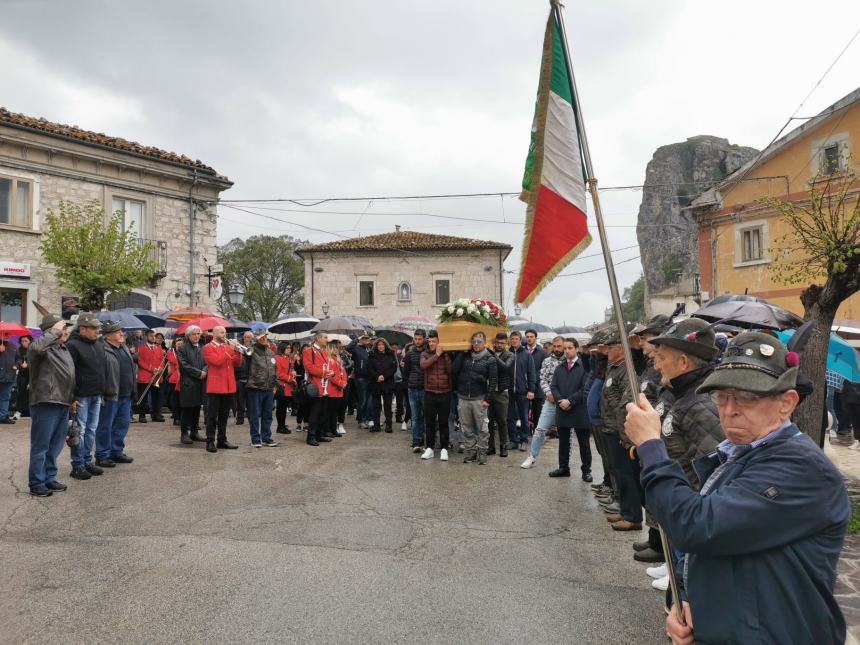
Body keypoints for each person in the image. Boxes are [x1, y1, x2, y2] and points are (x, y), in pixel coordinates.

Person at [625, 331, 850, 644]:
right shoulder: (740, 453)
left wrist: (651, 446)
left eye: (747, 397)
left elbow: (697, 526)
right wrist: (686, 601)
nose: (729, 409)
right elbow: (714, 549)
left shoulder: (801, 468)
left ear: (786, 403)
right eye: (722, 397)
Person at [27, 315, 74, 497]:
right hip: (46, 400)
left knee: (55, 445)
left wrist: (73, 399)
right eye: (62, 328)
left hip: (63, 401)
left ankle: (49, 477)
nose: (65, 332)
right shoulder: (40, 348)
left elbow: (69, 376)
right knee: (41, 445)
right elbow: (37, 347)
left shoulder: (63, 349)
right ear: (49, 331)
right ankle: (36, 482)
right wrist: (55, 330)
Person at [66, 313, 106, 480]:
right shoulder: (72, 345)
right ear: (82, 328)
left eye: (98, 327)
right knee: (79, 432)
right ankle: (77, 465)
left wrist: (102, 392)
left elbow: (101, 369)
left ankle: (87, 461)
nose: (97, 330)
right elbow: (68, 374)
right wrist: (72, 398)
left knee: (91, 430)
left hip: (96, 394)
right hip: (81, 396)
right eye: (94, 328)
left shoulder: (98, 344)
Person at [549, 338, 591, 480]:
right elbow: (553, 386)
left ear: (577, 349)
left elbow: (585, 388)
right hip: (562, 408)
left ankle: (586, 471)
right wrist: (561, 400)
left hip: (579, 409)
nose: (567, 351)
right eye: (565, 348)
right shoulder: (559, 367)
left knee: (584, 443)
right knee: (563, 442)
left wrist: (570, 401)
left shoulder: (584, 366)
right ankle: (563, 468)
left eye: (570, 348)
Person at [452, 331, 497, 465]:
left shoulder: (490, 358)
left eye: (479, 342)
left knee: (482, 428)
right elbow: (454, 370)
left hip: (479, 398)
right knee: (466, 427)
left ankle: (482, 452)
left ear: (484, 343)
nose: (476, 344)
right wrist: (461, 352)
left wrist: (488, 399)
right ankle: (470, 452)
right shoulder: (465, 356)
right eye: (474, 341)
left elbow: (493, 380)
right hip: (463, 397)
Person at [96, 321, 136, 467]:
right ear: (108, 336)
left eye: (121, 331)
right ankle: (102, 455)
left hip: (126, 395)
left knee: (122, 424)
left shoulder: (123, 347)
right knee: (105, 426)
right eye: (118, 332)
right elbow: (99, 374)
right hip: (110, 395)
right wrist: (101, 393)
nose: (122, 334)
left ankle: (116, 451)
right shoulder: (101, 350)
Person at [520, 336, 564, 469]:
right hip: (550, 401)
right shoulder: (547, 361)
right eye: (554, 346)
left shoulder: (569, 361)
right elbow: (542, 379)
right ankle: (532, 456)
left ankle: (564, 464)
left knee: (566, 434)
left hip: (566, 402)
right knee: (539, 430)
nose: (556, 349)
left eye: (559, 346)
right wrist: (548, 393)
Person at [202, 326, 243, 453]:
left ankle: (222, 440)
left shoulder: (226, 347)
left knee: (224, 416)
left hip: (228, 386)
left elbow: (237, 363)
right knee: (212, 416)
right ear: (214, 334)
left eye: (225, 332)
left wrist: (238, 351)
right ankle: (210, 441)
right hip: (215, 387)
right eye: (221, 332)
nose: (224, 334)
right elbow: (218, 361)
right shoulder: (208, 347)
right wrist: (231, 349)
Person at [420, 331, 453, 461]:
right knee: (430, 422)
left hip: (445, 392)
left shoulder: (447, 354)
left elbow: (451, 370)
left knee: (444, 422)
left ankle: (444, 448)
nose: (432, 344)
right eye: (430, 341)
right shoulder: (424, 354)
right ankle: (430, 448)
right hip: (430, 392)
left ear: (439, 342)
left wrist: (443, 355)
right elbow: (423, 365)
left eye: (434, 341)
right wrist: (436, 356)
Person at [245, 329, 278, 448]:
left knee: (268, 415)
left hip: (269, 388)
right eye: (261, 337)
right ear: (256, 338)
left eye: (265, 337)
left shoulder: (271, 352)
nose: (264, 339)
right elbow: (245, 351)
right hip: (255, 387)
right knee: (254, 414)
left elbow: (275, 369)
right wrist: (251, 342)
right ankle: (255, 438)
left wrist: (275, 384)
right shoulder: (252, 350)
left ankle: (266, 437)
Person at [507, 331, 536, 451]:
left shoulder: (526, 354)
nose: (514, 341)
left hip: (523, 390)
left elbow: (531, 373)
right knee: (510, 417)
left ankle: (524, 439)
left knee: (524, 416)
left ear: (520, 340)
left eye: (516, 339)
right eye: (512, 339)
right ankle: (513, 440)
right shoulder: (507, 353)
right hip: (508, 390)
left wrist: (531, 389)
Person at [302, 331, 333, 446]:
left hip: (325, 386)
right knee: (314, 413)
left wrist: (332, 373)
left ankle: (319, 434)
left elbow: (327, 366)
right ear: (318, 339)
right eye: (325, 337)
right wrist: (325, 373)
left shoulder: (323, 351)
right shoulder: (308, 351)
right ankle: (311, 436)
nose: (327, 340)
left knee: (323, 413)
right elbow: (309, 368)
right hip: (316, 386)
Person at [177, 327, 207, 445]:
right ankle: (184, 433)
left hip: (200, 382)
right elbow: (184, 365)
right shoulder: (183, 348)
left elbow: (207, 362)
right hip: (188, 383)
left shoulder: (203, 348)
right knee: (187, 408)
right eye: (194, 334)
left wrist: (204, 371)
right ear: (188, 336)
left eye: (198, 334)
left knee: (196, 408)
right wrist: (199, 373)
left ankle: (194, 432)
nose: (197, 336)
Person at [487, 332, 514, 457]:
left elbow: (505, 368)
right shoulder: (489, 354)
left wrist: (493, 355)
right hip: (489, 391)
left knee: (502, 421)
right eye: (497, 343)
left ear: (506, 344)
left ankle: (504, 446)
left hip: (501, 392)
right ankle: (490, 446)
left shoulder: (510, 355)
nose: (499, 345)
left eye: (502, 343)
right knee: (489, 421)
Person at [402, 329, 427, 452]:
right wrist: (407, 386)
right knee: (415, 416)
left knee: (426, 416)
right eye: (415, 339)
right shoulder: (409, 354)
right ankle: (416, 441)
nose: (417, 341)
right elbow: (405, 373)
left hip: (425, 388)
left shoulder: (429, 352)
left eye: (419, 339)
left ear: (424, 339)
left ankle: (427, 441)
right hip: (412, 388)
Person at [368, 338, 398, 433]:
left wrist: (384, 376)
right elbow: (369, 368)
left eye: (382, 344)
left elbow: (393, 368)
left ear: (385, 345)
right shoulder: (371, 355)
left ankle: (389, 425)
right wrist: (377, 376)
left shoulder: (391, 354)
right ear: (376, 346)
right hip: (375, 383)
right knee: (376, 406)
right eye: (379, 345)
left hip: (387, 383)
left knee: (387, 406)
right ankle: (376, 425)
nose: (381, 346)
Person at [136, 329, 165, 423]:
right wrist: (152, 369)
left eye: (154, 336)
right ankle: (142, 415)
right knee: (143, 397)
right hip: (145, 376)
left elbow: (162, 360)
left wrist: (160, 369)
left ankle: (156, 414)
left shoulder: (159, 347)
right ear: (146, 337)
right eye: (151, 336)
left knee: (157, 397)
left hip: (157, 376)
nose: (153, 338)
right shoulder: (141, 347)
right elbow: (140, 361)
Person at [346, 333, 374, 429]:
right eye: (364, 338)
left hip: (370, 378)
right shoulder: (356, 348)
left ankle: (367, 418)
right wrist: (357, 339)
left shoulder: (370, 349)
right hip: (360, 378)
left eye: (367, 338)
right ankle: (361, 420)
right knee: (362, 400)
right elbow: (349, 347)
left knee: (369, 400)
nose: (366, 339)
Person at [525, 329, 546, 443]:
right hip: (524, 386)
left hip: (538, 387)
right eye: (527, 336)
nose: (529, 338)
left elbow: (543, 369)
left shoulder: (542, 352)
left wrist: (532, 376)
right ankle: (526, 431)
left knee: (537, 411)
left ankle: (537, 434)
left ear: (535, 338)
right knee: (524, 410)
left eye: (531, 336)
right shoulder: (522, 350)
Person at [275, 342, 295, 434]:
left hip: (289, 387)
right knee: (281, 408)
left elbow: (289, 371)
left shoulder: (289, 359)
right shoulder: (278, 358)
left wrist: (293, 373)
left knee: (284, 408)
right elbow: (278, 373)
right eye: (287, 348)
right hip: (282, 386)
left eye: (290, 348)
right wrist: (290, 378)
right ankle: (280, 426)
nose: (289, 349)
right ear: (282, 348)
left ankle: (283, 425)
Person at [233, 330, 254, 425]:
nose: (247, 339)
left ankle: (250, 416)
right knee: (239, 399)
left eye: (249, 337)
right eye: (245, 337)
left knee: (250, 399)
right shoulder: (238, 346)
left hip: (250, 377)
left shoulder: (254, 348)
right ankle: (240, 417)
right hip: (239, 376)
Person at [14, 334, 33, 418]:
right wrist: (19, 364)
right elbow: (17, 360)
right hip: (22, 374)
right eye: (22, 341)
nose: (23, 343)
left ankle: (29, 411)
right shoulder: (18, 350)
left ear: (30, 341)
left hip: (32, 375)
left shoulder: (33, 350)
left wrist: (28, 365)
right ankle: (20, 410)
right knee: (21, 392)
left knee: (30, 393)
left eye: (26, 341)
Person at [166, 336, 183, 426]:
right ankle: (176, 418)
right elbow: (173, 361)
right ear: (175, 344)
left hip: (182, 378)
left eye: (181, 344)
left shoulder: (184, 353)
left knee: (182, 400)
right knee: (175, 400)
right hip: (174, 379)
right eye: (178, 344)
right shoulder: (171, 352)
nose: (180, 345)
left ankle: (181, 417)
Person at [0, 332, 16, 424]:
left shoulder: (13, 346)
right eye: (5, 334)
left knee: (5, 397)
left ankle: (2, 416)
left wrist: (17, 364)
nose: (8, 335)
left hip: (9, 376)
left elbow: (18, 358)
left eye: (8, 334)